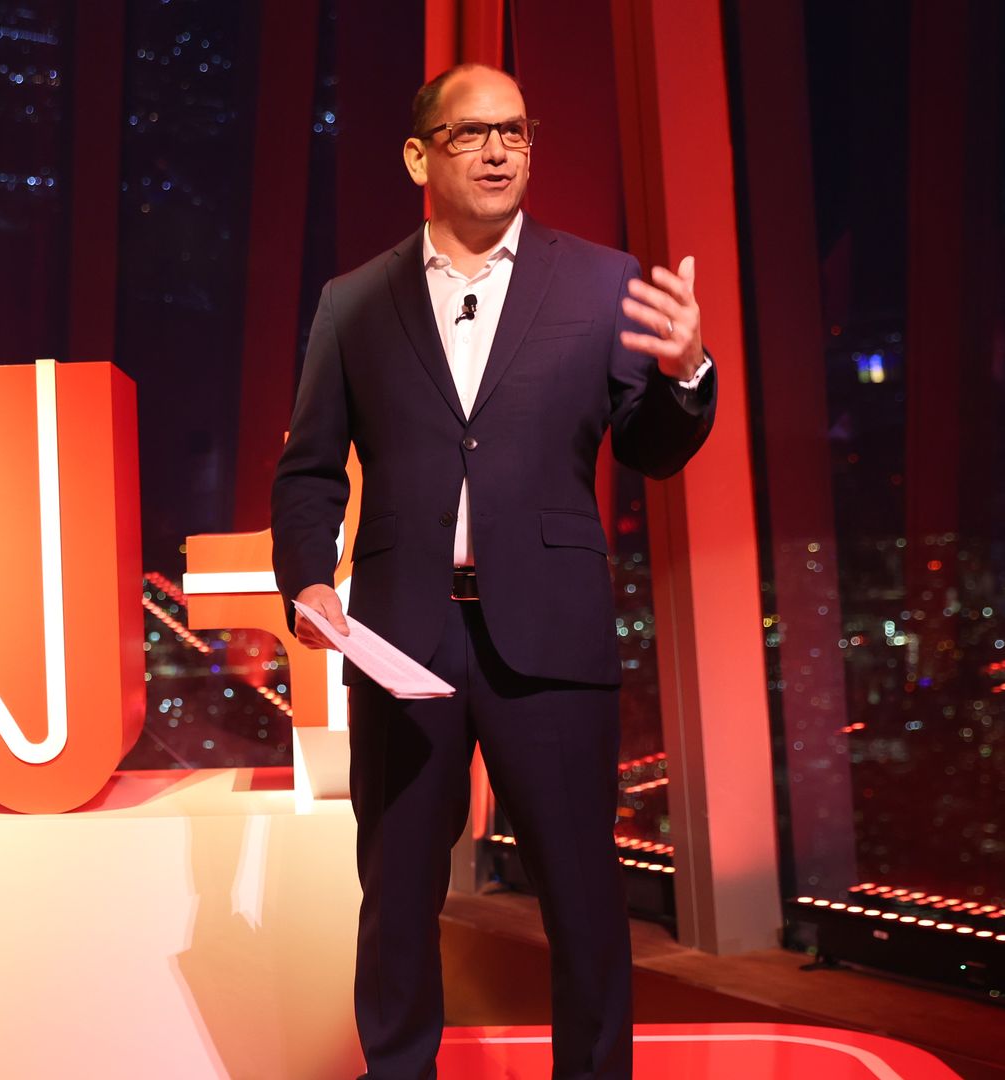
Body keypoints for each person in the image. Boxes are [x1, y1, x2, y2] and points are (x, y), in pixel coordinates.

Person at [270, 64, 715, 1080]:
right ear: (420, 155)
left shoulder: (602, 282)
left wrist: (686, 371)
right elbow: (307, 472)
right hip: (400, 642)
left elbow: (650, 446)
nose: (500, 150)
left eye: (514, 130)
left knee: (583, 898)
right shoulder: (355, 302)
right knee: (397, 901)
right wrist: (308, 581)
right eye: (471, 134)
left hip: (551, 637)